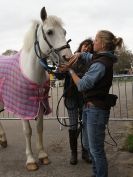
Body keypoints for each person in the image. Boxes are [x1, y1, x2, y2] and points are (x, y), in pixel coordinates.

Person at [63, 30, 123, 177]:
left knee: (96, 150)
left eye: (96, 40)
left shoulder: (100, 64)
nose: (93, 43)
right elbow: (88, 55)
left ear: (102, 44)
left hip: (96, 110)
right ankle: (96, 173)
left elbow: (82, 85)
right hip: (91, 108)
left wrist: (70, 70)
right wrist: (79, 54)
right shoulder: (101, 58)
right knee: (91, 147)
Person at [64, 38, 93, 165]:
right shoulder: (70, 57)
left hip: (84, 96)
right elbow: (61, 75)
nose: (86, 48)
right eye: (84, 46)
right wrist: (60, 69)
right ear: (81, 46)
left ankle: (85, 152)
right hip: (71, 96)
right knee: (73, 125)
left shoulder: (91, 61)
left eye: (89, 47)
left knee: (85, 124)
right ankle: (73, 153)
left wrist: (72, 71)